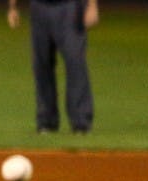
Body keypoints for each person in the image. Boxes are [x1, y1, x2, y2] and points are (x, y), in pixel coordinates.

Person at [7, 0, 97, 134]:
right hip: (39, 7)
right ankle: (46, 122)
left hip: (70, 7)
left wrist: (92, 6)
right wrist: (12, 7)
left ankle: (81, 122)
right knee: (42, 65)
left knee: (75, 62)